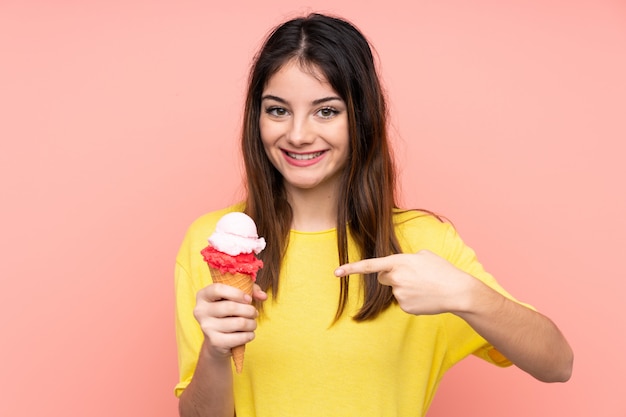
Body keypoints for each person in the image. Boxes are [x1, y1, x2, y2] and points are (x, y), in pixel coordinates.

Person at [174, 13, 573, 417]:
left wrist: (464, 294)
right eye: (277, 110)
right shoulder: (210, 243)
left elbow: (558, 363)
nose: (297, 134)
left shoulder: (422, 244)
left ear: (361, 117)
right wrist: (215, 351)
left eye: (326, 111)